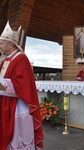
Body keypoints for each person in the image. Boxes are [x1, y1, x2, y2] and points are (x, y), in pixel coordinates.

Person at [0, 21, 43, 149]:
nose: (0, 46)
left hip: (19, 105)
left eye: (1, 43)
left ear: (10, 44)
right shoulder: (5, 60)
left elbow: (21, 84)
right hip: (6, 102)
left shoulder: (21, 59)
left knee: (18, 136)